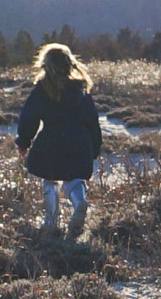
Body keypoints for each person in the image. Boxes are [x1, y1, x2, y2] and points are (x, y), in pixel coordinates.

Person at [15, 43, 102, 239]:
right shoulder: (82, 89)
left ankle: (51, 221)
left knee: (50, 179)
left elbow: (29, 117)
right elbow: (93, 121)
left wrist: (23, 141)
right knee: (74, 179)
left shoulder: (42, 89)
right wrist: (95, 147)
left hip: (51, 142)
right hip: (80, 143)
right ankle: (79, 202)